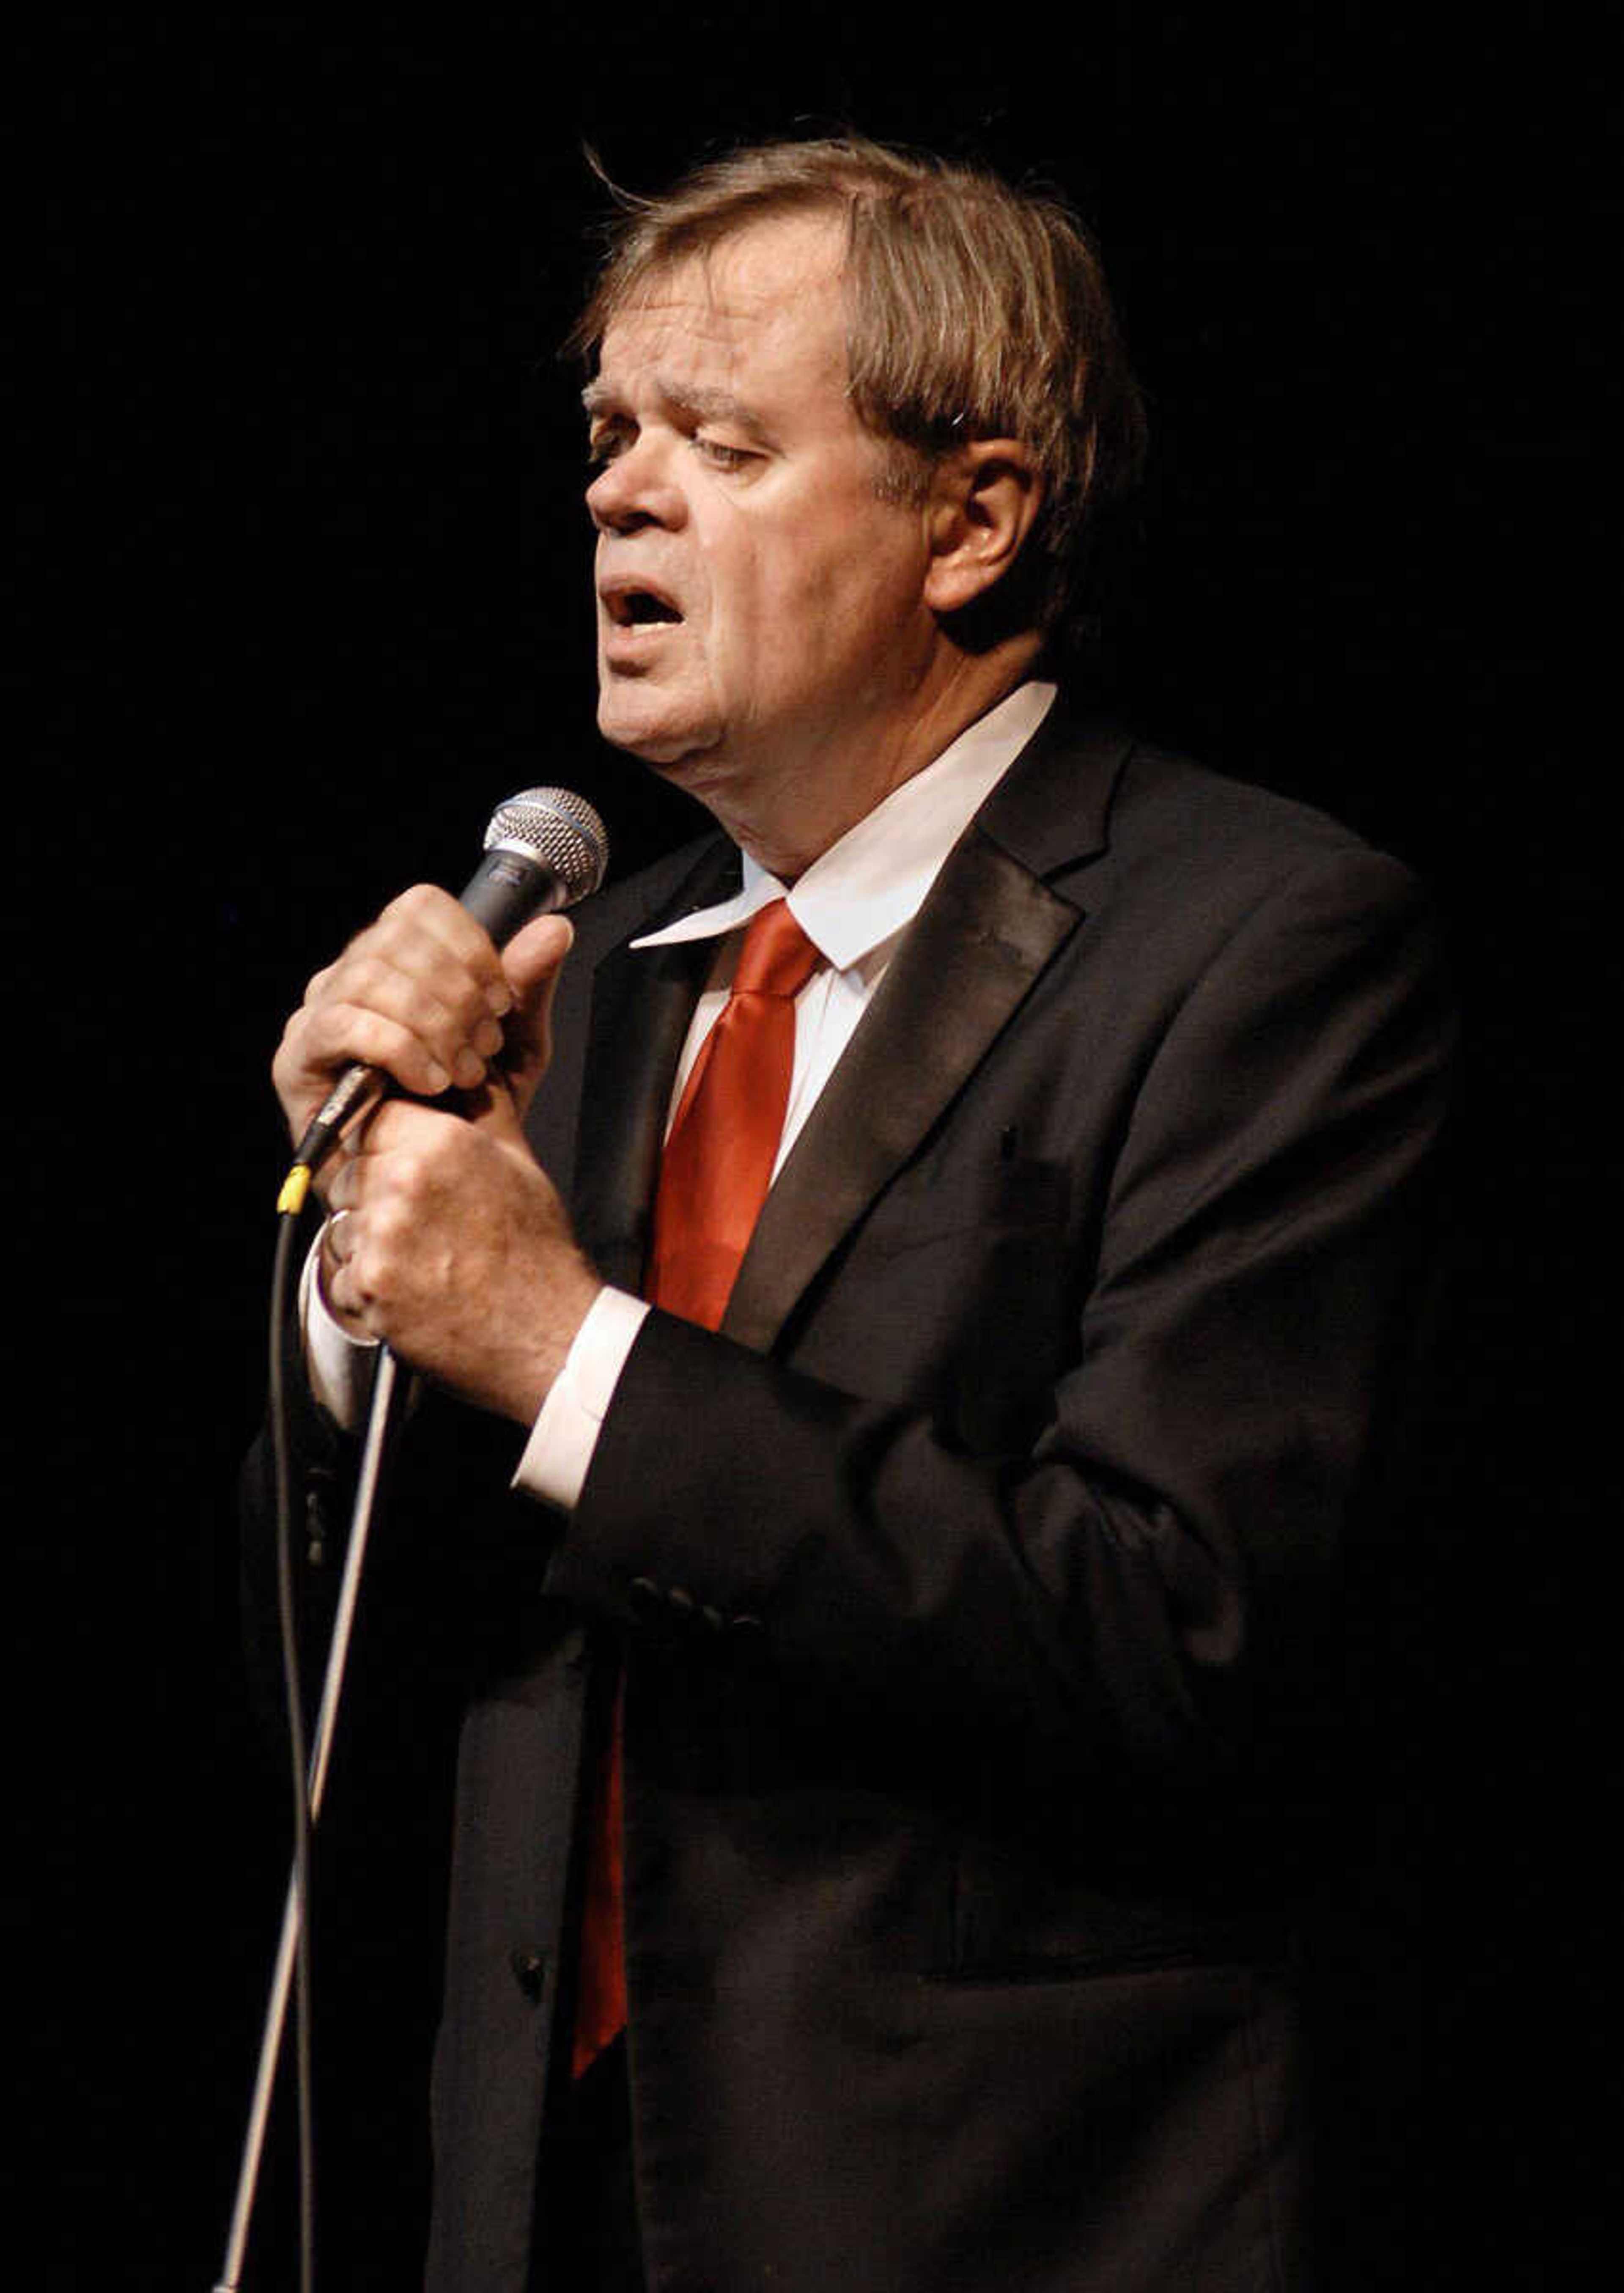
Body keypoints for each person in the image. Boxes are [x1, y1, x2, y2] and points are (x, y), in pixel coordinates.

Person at [247, 136, 1454, 2292]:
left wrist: (558, 1346)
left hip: (997, 2213)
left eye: (719, 443)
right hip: (548, 2204)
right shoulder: (596, 1001)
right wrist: (375, 1266)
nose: (619, 495)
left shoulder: (1260, 943)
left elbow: (1182, 1633)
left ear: (972, 522)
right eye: (612, 436)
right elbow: (366, 1652)